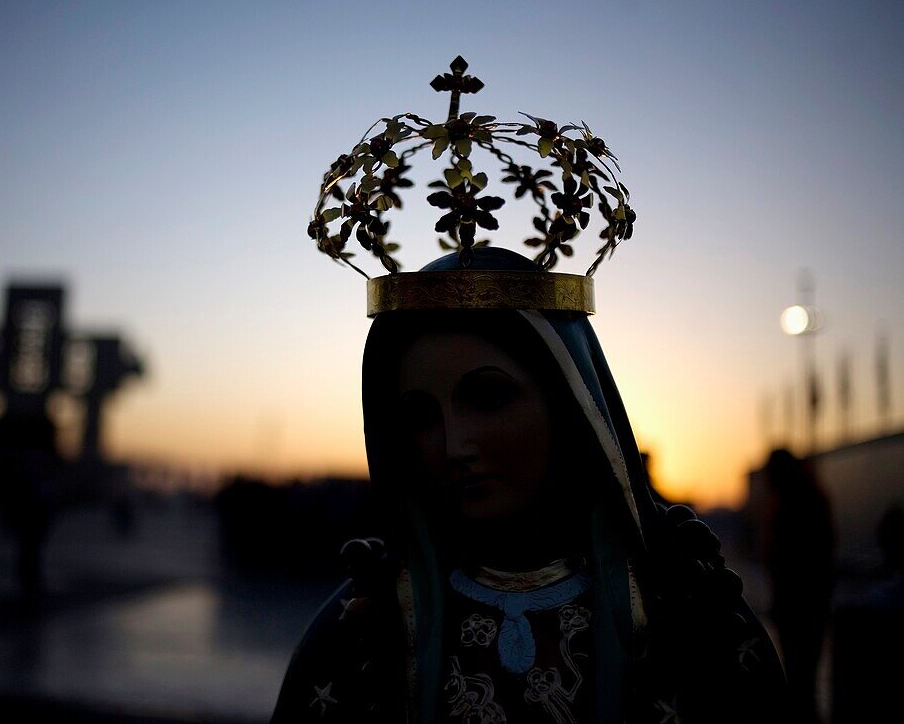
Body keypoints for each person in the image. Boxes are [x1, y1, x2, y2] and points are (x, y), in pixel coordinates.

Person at [272, 247, 784, 723]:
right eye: (422, 416)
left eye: (489, 398)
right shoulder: (363, 630)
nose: (454, 446)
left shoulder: (690, 620)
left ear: (571, 407)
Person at [762, 448, 834, 722]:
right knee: (804, 679)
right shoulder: (812, 497)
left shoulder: (788, 504)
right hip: (807, 602)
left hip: (796, 603)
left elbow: (781, 556)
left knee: (798, 678)